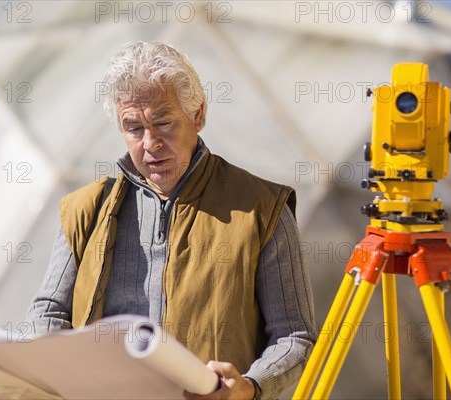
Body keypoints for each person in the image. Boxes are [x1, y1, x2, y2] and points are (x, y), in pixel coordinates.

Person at [26, 41, 316, 400]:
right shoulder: (86, 209)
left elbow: (295, 337)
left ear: (198, 114)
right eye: (133, 128)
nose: (151, 143)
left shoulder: (262, 209)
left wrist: (250, 386)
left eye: (163, 123)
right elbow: (49, 309)